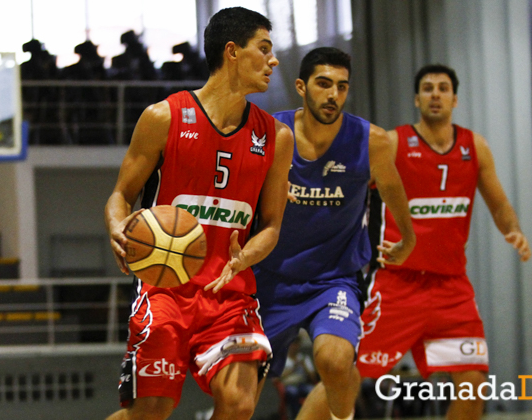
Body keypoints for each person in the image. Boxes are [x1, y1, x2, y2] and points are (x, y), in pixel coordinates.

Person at [103, 7, 293, 420]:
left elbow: (273, 225)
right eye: (264, 49)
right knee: (151, 411)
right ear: (232, 52)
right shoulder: (163, 118)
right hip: (164, 289)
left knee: (240, 402)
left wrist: (247, 256)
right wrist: (119, 227)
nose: (274, 60)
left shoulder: (276, 137)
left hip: (229, 295)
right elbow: (121, 195)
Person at [354, 64, 532, 420]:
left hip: (452, 288)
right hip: (396, 284)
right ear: (416, 99)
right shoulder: (391, 142)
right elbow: (349, 191)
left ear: (455, 99)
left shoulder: (475, 147)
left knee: (473, 382)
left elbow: (499, 204)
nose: (435, 93)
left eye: (443, 88)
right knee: (342, 374)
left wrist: (513, 230)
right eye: (428, 88)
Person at [253, 47, 416, 420]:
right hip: (268, 279)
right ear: (301, 86)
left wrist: (408, 238)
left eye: (342, 87)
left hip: (333, 279)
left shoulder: (371, 140)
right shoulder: (268, 133)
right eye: (324, 84)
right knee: (240, 395)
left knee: (336, 361)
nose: (333, 95)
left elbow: (392, 189)